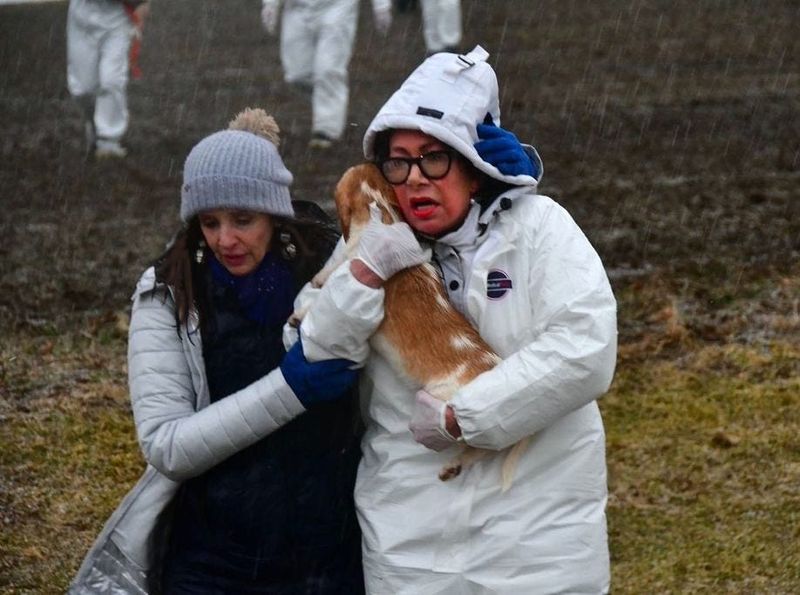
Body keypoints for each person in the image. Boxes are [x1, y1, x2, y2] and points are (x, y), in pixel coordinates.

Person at [294, 46, 618, 593]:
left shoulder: (540, 230)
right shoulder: (370, 247)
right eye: (399, 161)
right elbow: (317, 351)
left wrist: (462, 417)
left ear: (473, 168)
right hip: (411, 538)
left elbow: (584, 350)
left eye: (434, 158)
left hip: (538, 540)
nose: (416, 178)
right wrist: (366, 275)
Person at [68, 108, 365, 593]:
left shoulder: (331, 270)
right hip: (215, 556)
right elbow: (168, 445)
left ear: (273, 211)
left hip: (329, 551)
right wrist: (290, 389)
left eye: (243, 220)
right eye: (209, 222)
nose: (225, 239)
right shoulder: (169, 294)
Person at [260, 0, 392, 149]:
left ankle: (326, 129)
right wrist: (270, 4)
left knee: (328, 70)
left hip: (338, 7)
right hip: (296, 9)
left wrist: (381, 6)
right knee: (297, 74)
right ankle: (332, 99)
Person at [66, 0, 149, 159]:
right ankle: (95, 124)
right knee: (83, 89)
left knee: (111, 80)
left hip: (117, 17)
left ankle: (109, 141)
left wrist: (142, 9)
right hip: (81, 14)